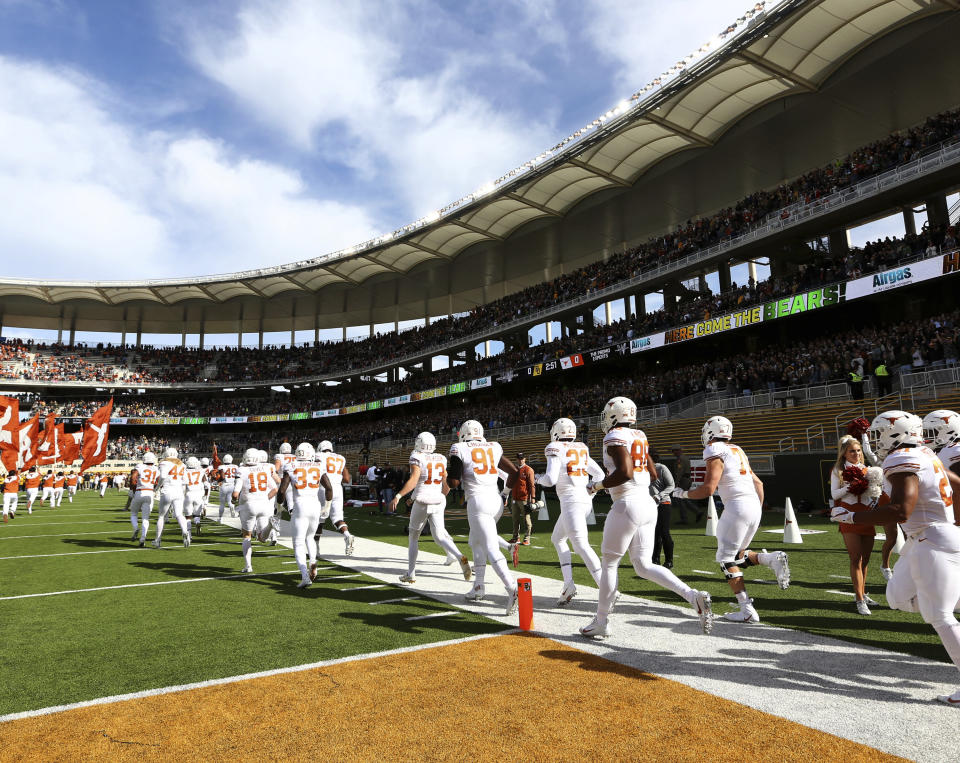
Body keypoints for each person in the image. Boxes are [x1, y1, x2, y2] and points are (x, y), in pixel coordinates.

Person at [831, 411, 960, 706]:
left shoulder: (903, 458)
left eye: (879, 433)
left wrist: (853, 515)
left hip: (932, 538)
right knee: (898, 597)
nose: (875, 441)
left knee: (939, 614)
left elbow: (902, 510)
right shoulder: (926, 453)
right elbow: (957, 483)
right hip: (927, 538)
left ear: (896, 433)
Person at [581, 397, 713, 639]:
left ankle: (601, 620)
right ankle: (692, 596)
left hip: (627, 504)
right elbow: (652, 473)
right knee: (643, 565)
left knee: (610, 563)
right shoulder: (639, 435)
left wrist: (597, 485)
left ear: (614, 415)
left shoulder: (614, 437)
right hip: (647, 504)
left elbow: (625, 472)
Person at [674, 415, 789, 623]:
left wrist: (682, 494)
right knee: (738, 555)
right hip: (753, 504)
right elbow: (759, 484)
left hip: (737, 506)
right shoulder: (737, 450)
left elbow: (708, 489)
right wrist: (758, 511)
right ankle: (770, 559)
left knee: (726, 560)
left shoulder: (713, 450)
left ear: (711, 432)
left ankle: (746, 609)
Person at [447, 419, 519, 614]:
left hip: (478, 501)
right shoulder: (494, 446)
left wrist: (452, 470)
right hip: (495, 499)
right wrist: (505, 494)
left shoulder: (459, 448)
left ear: (463, 433)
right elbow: (514, 472)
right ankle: (479, 586)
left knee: (490, 547)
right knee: (475, 541)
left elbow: (453, 482)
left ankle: (512, 587)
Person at [536, 417, 603, 606]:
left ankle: (606, 588)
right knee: (557, 539)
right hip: (582, 500)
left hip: (571, 501)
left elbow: (550, 479)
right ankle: (568, 585)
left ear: (556, 431)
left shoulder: (554, 447)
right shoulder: (581, 447)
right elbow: (600, 475)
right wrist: (590, 492)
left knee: (581, 545)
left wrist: (537, 478)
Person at [391, 431, 471, 583]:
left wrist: (399, 496)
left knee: (413, 537)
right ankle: (460, 556)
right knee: (440, 535)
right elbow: (446, 483)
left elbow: (415, 481)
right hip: (438, 500)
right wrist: (440, 497)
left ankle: (411, 573)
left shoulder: (416, 456)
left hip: (422, 501)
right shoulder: (440, 457)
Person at [830, 436, 880, 615]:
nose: (856, 454)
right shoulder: (838, 470)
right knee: (855, 558)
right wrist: (850, 487)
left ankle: (862, 593)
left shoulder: (866, 469)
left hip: (866, 515)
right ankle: (859, 600)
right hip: (848, 516)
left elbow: (873, 494)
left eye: (858, 450)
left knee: (865, 559)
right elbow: (835, 494)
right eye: (852, 451)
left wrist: (875, 496)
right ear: (844, 453)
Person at [278, 442, 332, 589]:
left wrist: (278, 506)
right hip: (315, 504)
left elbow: (282, 491)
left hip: (300, 504)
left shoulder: (291, 465)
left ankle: (304, 576)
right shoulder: (318, 465)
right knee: (310, 537)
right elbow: (329, 488)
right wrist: (327, 506)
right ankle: (313, 561)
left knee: (298, 542)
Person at [232, 448, 280, 573]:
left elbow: (236, 493)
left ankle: (248, 566)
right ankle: (270, 525)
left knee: (247, 536)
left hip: (249, 505)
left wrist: (233, 501)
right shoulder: (264, 469)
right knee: (262, 538)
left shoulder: (242, 470)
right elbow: (275, 489)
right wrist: (265, 498)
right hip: (264, 504)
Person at [314, 440, 355, 555]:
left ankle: (316, 546)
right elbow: (347, 479)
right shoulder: (341, 458)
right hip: (337, 488)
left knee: (320, 519)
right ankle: (347, 535)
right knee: (337, 518)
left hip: (324, 487)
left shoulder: (318, 455)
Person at [155, 447, 190, 548]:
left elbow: (162, 476)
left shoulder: (164, 462)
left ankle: (157, 540)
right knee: (179, 514)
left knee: (161, 516)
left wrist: (157, 488)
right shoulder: (182, 464)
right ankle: (184, 530)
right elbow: (185, 481)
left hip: (167, 490)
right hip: (178, 491)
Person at [650, 452, 676, 568]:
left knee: (664, 532)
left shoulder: (661, 468)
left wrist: (659, 495)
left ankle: (669, 560)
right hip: (649, 504)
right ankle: (655, 560)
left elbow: (671, 485)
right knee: (654, 533)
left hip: (663, 503)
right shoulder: (641, 469)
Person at [129, 452, 159, 547]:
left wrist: (133, 489)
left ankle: (136, 528)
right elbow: (158, 481)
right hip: (150, 493)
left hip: (139, 491)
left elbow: (133, 478)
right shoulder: (156, 469)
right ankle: (142, 538)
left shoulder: (140, 466)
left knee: (134, 513)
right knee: (145, 518)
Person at [508, 453, 536, 545]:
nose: (520, 460)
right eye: (519, 459)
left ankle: (527, 538)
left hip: (524, 498)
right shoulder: (514, 469)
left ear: (525, 459)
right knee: (515, 519)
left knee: (526, 519)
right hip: (515, 497)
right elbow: (510, 482)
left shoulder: (528, 469)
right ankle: (516, 537)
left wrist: (533, 498)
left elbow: (532, 485)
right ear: (516, 459)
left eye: (522, 458)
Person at [671, 446, 702, 524]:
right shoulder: (684, 458)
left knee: (680, 499)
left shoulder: (680, 459)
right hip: (686, 480)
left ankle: (684, 519)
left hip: (683, 481)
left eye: (674, 451)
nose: (673, 453)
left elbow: (679, 472)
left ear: (678, 451)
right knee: (683, 498)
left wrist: (676, 483)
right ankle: (697, 511)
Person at [183, 456, 207, 536]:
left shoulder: (184, 471)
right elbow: (206, 484)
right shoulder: (201, 471)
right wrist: (205, 494)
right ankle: (197, 522)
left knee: (188, 517)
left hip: (189, 494)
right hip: (198, 494)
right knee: (197, 514)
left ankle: (189, 535)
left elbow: (183, 486)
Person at [218, 454, 238, 520]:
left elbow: (223, 477)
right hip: (232, 485)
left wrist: (218, 480)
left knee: (222, 503)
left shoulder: (221, 467)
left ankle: (220, 518)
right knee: (230, 501)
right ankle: (232, 510)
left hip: (225, 485)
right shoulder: (235, 466)